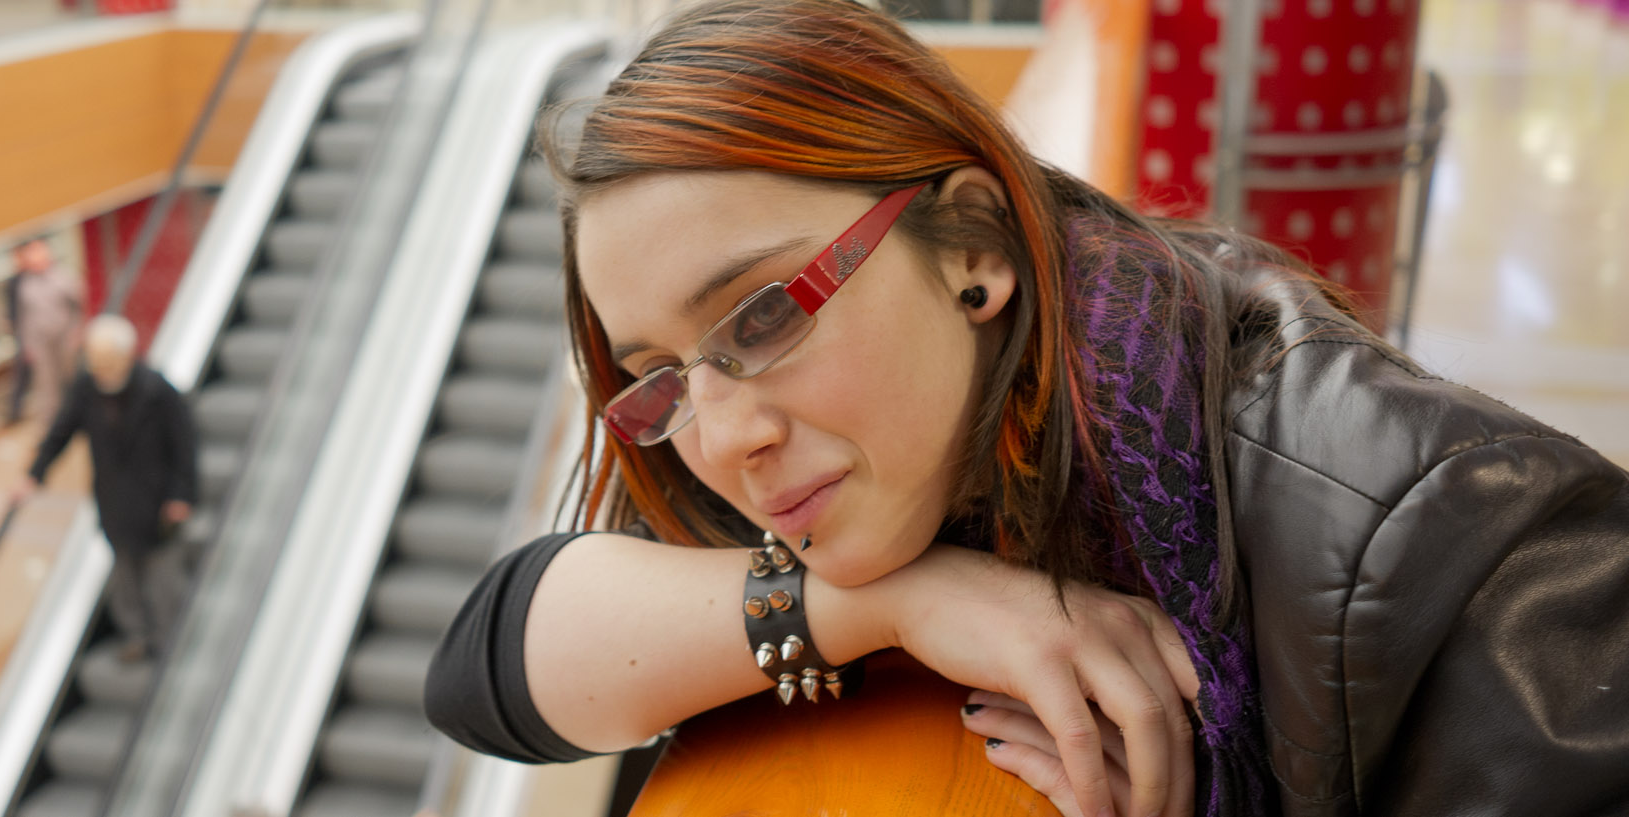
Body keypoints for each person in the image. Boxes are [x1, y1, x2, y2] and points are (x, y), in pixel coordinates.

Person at [422, 2, 1629, 816]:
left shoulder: (1466, 542)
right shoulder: (825, 466)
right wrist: (890, 598)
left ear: (975, 249)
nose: (725, 437)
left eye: (764, 314)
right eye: (663, 377)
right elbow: (486, 670)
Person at [15, 315, 198, 663]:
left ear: (129, 356)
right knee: (125, 578)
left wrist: (181, 495)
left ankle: (170, 640)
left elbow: (184, 447)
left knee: (162, 579)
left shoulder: (158, 392)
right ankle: (138, 636)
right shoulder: (86, 390)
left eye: (110, 363)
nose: (104, 372)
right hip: (114, 503)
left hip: (157, 504)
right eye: (98, 364)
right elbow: (61, 432)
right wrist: (34, 474)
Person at [6, 237, 85, 425]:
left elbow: (79, 306)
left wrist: (77, 331)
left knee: (73, 379)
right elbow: (23, 319)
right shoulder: (25, 285)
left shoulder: (63, 276)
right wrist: (27, 346)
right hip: (40, 343)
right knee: (47, 387)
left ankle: (81, 419)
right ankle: (51, 426)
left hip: (65, 338)